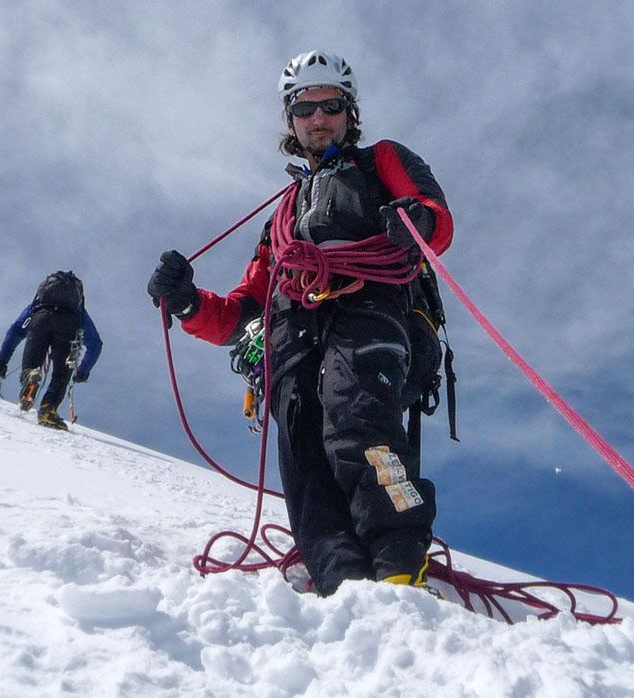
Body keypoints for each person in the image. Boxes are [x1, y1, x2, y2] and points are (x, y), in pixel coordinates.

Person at [147, 50, 453, 595]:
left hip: (370, 311)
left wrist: (417, 221)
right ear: (290, 119)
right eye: (304, 107)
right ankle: (342, 584)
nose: (318, 118)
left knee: (356, 420)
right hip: (293, 336)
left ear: (348, 111)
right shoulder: (283, 216)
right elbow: (245, 308)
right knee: (304, 456)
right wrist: (187, 301)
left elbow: (434, 215)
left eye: (330, 105)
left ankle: (399, 563)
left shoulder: (380, 160)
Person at [0, 271, 103, 431]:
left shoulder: (37, 305)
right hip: (68, 328)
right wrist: (83, 370)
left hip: (39, 320)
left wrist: (2, 362)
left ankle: (30, 375)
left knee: (31, 366)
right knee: (61, 376)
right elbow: (96, 344)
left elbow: (14, 330)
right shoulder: (79, 311)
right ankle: (48, 410)